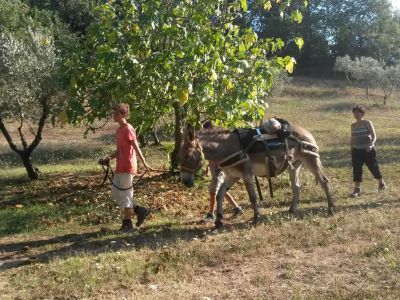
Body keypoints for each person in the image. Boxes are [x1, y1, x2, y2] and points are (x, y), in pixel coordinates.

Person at [102, 103, 154, 232]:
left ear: (124, 114)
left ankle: (127, 224)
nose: (114, 115)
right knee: (115, 191)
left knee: (125, 194)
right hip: (120, 165)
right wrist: (109, 158)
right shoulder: (119, 130)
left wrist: (145, 163)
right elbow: (120, 150)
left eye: (116, 113)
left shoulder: (128, 129)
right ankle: (139, 210)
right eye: (113, 113)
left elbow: (136, 147)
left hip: (128, 166)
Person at [203, 120, 243, 222]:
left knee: (213, 192)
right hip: (214, 170)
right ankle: (237, 208)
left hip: (219, 170)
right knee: (222, 191)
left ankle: (211, 214)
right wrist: (207, 167)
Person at [350, 104, 386, 197]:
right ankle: (357, 190)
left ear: (362, 113)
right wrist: (351, 150)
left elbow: (374, 136)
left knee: (373, 167)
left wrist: (371, 144)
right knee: (357, 169)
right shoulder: (353, 125)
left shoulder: (367, 123)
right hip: (356, 151)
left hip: (368, 150)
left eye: (358, 112)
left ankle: (381, 183)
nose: (356, 114)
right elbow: (353, 139)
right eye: (355, 113)